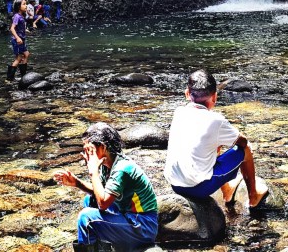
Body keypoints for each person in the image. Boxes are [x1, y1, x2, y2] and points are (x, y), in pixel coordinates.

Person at [164, 69, 267, 216]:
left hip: (175, 184)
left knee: (214, 142)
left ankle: (227, 191)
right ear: (215, 97)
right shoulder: (216, 120)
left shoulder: (178, 112)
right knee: (245, 149)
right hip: (197, 188)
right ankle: (253, 197)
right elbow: (243, 142)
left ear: (187, 93)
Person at [53, 123, 159, 251]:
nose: (86, 155)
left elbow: (103, 203)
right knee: (89, 200)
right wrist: (77, 183)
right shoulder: (107, 165)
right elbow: (100, 194)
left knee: (86, 218)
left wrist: (93, 171)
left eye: (89, 150)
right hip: (128, 215)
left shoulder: (122, 169)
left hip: (142, 225)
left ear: (102, 147)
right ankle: (101, 247)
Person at [7, 0, 30, 81]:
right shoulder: (17, 16)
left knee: (26, 54)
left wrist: (25, 31)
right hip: (17, 40)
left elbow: (20, 27)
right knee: (19, 58)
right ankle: (9, 78)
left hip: (21, 40)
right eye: (24, 4)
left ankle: (23, 76)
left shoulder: (21, 16)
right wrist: (17, 38)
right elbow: (12, 28)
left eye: (26, 4)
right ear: (18, 6)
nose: (26, 5)